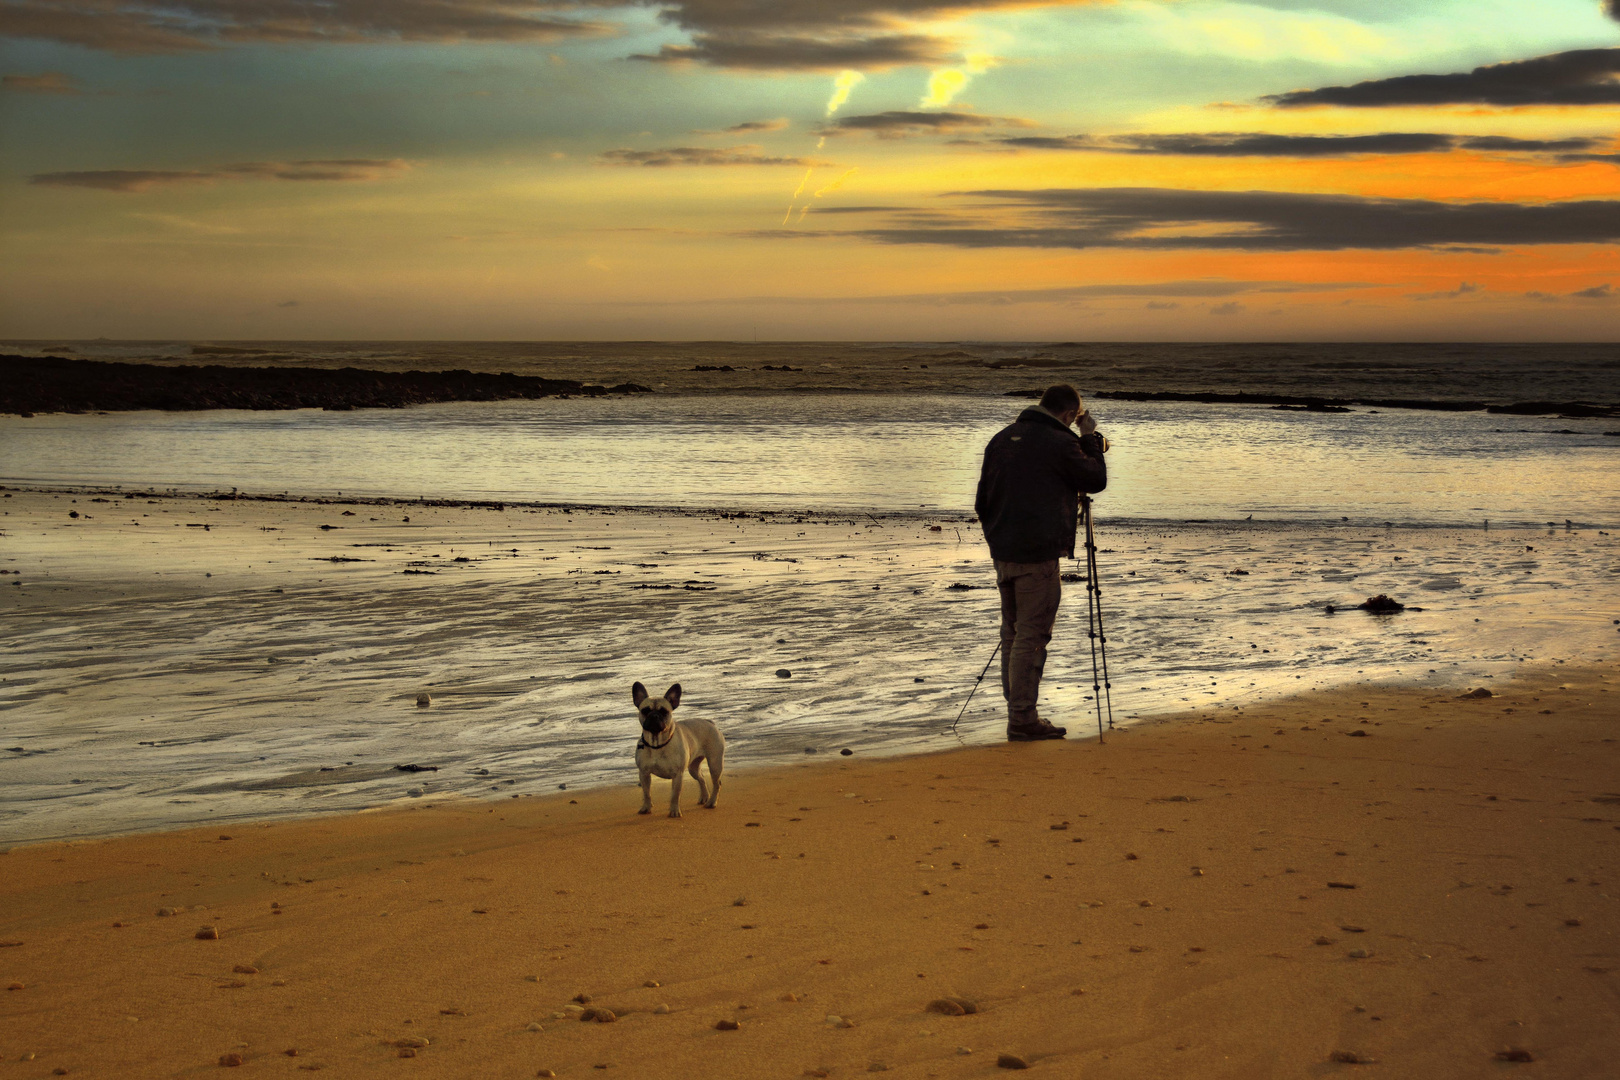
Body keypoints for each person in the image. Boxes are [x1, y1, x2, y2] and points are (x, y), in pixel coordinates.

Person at [973, 384, 1108, 741]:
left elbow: (981, 502)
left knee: (1013, 634)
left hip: (1003, 550)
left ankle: (1018, 709)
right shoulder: (1060, 443)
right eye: (1074, 419)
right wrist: (1089, 436)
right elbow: (1095, 479)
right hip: (1037, 553)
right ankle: (1022, 718)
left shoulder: (1001, 439)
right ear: (1068, 415)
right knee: (1031, 636)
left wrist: (998, 538)